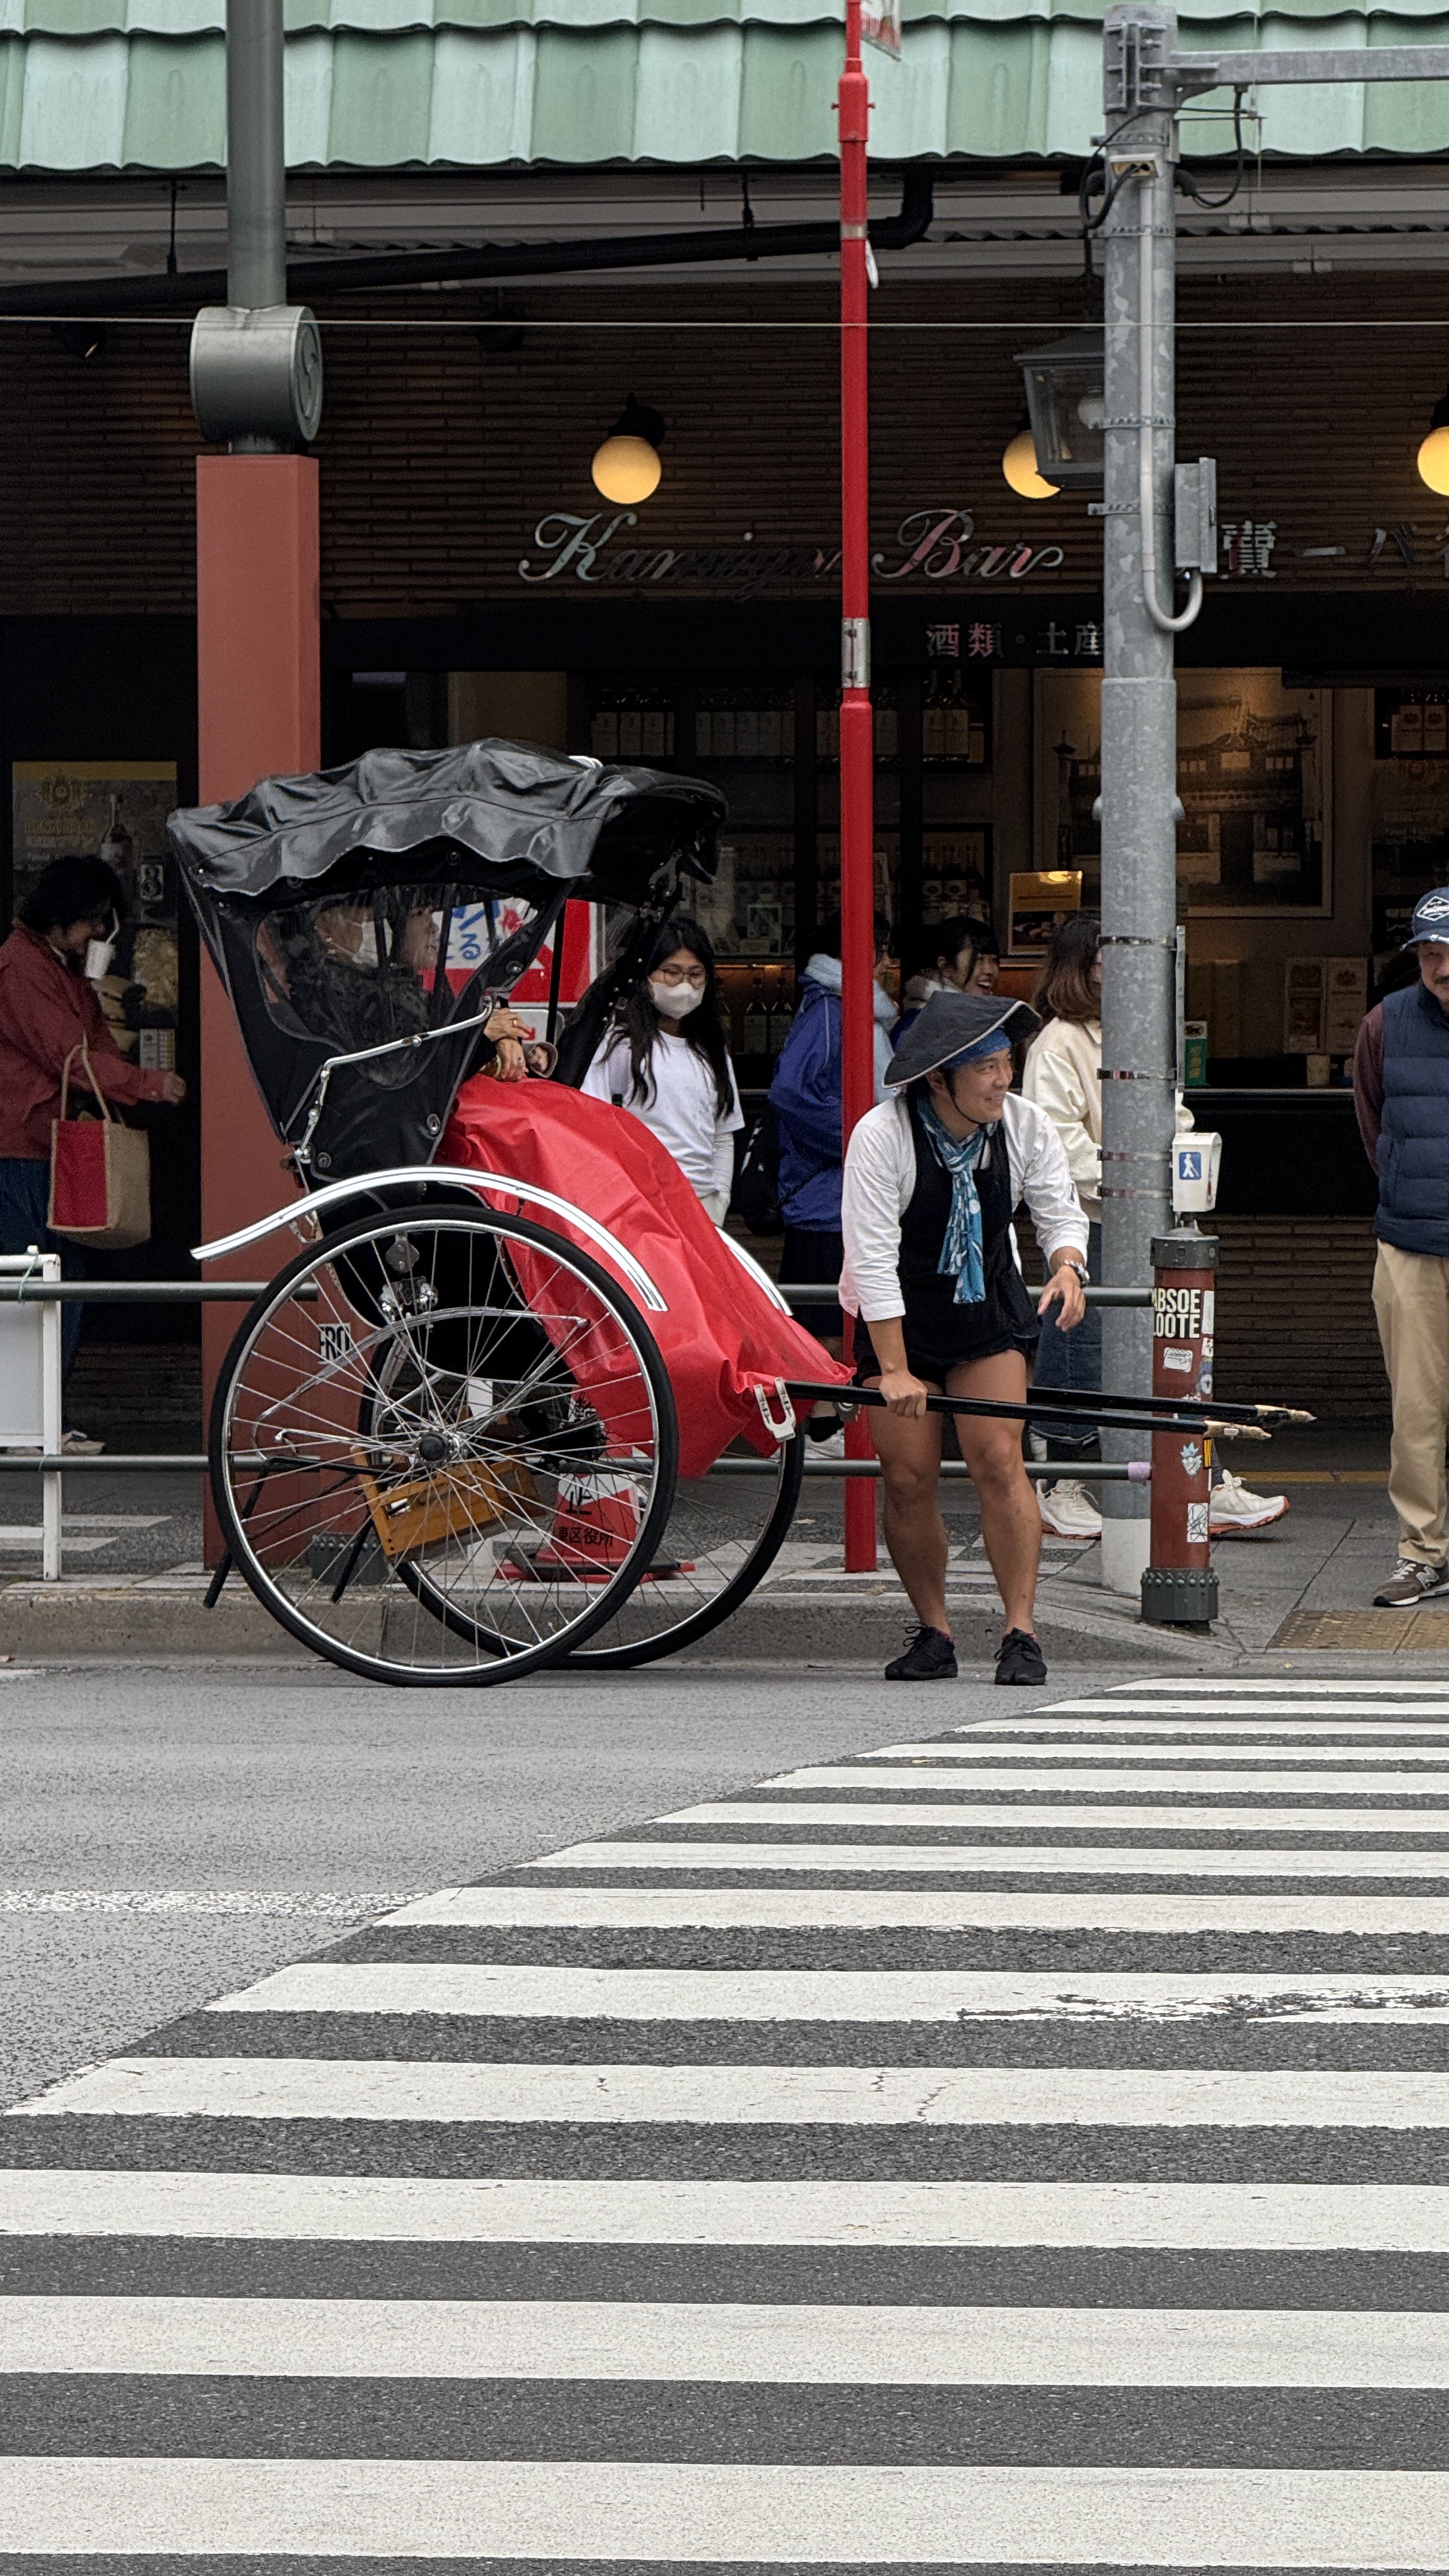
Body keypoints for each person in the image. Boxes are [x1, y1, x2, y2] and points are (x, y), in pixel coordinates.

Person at [840, 986, 1089, 1687]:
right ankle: (934, 1631)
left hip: (986, 1309)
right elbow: (871, 1259)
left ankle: (1020, 1631)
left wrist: (1067, 1265)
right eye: (985, 1067)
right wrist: (894, 1369)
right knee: (907, 1476)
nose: (1003, 1079)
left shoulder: (1023, 1124)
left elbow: (1058, 1208)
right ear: (938, 1079)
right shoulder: (883, 1136)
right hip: (899, 1315)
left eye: (1007, 1063)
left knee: (999, 1459)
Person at [1022, 908, 1287, 1549]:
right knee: (1080, 1349)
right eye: (1109, 961)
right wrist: (1141, 1182)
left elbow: (1174, 1111)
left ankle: (1203, 1478)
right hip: (1090, 1222)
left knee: (1172, 1353)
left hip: (1148, 1217)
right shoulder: (1058, 1043)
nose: (1126, 973)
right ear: (1083, 968)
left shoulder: (1135, 1032)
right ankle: (1059, 1482)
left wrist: (1175, 1164)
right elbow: (1055, 1146)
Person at [0, 855, 187, 1443]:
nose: (99, 933)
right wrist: (147, 1084)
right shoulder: (22, 967)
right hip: (21, 1148)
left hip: (51, 1145)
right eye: (94, 921)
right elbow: (72, 1058)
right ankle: (27, 1420)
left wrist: (125, 1076)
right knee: (36, 1280)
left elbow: (93, 1045)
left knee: (62, 1278)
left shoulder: (55, 966)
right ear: (64, 916)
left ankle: (44, 1417)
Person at [1354, 887, 1449, 1604]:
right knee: (1415, 1412)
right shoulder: (1384, 1024)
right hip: (1411, 1242)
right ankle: (1423, 1551)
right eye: (1429, 954)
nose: (1441, 967)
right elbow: (1373, 1125)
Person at [770, 910, 896, 1448]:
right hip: (825, 1197)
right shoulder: (829, 1010)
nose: (888, 964)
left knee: (843, 1318)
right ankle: (821, 1430)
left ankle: (828, 1425)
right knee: (826, 1323)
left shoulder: (846, 1009)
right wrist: (858, 1142)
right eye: (882, 951)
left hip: (838, 1193)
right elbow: (790, 1092)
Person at [581, 917, 742, 1222]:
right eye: (671, 972)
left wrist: (720, 1199)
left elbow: (723, 1134)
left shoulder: (713, 1052)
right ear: (646, 976)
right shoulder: (618, 1045)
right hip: (641, 1205)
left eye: (695, 974)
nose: (684, 984)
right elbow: (594, 1126)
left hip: (702, 1207)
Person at [896, 916, 1000, 1036]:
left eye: (994, 960)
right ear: (946, 966)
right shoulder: (917, 1027)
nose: (989, 970)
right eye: (977, 959)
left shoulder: (987, 1017)